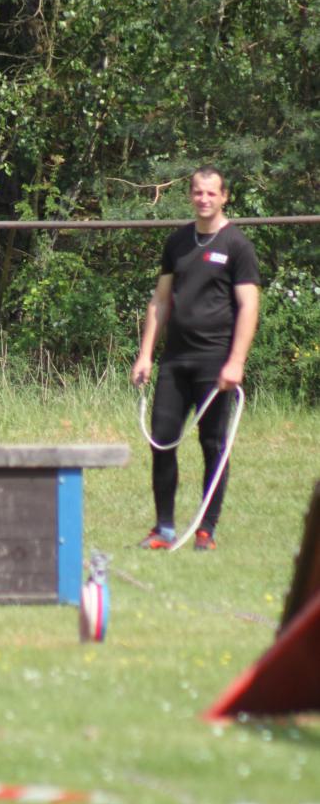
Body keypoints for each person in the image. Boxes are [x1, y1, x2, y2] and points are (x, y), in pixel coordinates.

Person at [131, 165, 260, 551]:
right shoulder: (177, 242)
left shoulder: (237, 245)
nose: (204, 199)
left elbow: (249, 306)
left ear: (224, 197)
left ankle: (206, 529)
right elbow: (160, 301)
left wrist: (236, 361)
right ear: (190, 195)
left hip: (215, 362)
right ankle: (164, 528)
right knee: (162, 441)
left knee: (213, 445)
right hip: (175, 362)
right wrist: (145, 355)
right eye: (198, 192)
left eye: (211, 193)